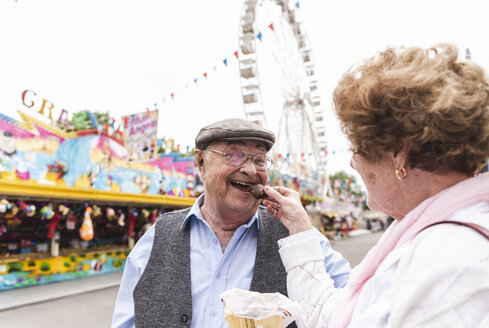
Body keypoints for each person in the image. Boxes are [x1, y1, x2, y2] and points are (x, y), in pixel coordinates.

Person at [261, 43, 489, 327]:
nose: (352, 163)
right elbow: (336, 317)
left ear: (398, 154)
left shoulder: (448, 263)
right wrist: (299, 229)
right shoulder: (432, 235)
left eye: (355, 146)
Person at [111, 118, 351, 328]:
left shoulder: (297, 236)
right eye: (234, 155)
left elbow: (354, 307)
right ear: (201, 163)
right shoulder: (156, 238)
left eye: (259, 160)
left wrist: (300, 229)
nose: (249, 169)